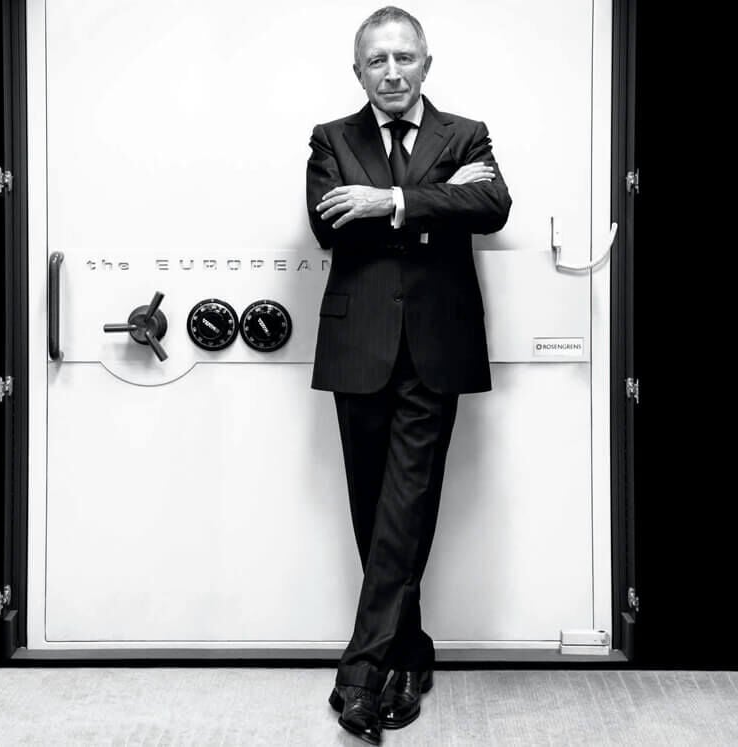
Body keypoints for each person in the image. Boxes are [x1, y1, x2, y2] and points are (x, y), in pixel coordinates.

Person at [306, 6, 512, 744]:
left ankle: (361, 674)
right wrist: (434, 205)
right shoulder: (332, 138)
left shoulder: (468, 134)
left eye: (404, 59)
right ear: (357, 70)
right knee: (378, 511)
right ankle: (410, 653)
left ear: (427, 62)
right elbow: (330, 222)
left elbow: (491, 206)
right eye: (376, 62)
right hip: (358, 345)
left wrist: (389, 202)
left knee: (407, 498)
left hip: (437, 345)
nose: (391, 73)